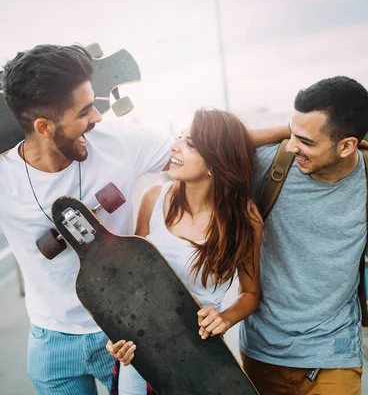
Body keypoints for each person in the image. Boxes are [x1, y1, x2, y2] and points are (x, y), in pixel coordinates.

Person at [0, 44, 291, 394]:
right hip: (53, 342)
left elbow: (217, 145)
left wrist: (300, 136)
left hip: (133, 330)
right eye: (84, 112)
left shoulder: (123, 142)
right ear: (44, 126)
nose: (97, 117)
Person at [240, 76, 368, 394]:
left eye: (306, 141)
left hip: (336, 353)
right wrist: (293, 133)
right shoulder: (268, 167)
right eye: (292, 134)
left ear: (348, 145)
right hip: (263, 349)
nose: (294, 147)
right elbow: (207, 142)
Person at [106, 108, 262, 395]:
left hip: (198, 357)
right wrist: (116, 338)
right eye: (179, 137)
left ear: (215, 163)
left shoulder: (245, 221)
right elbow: (127, 286)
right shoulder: (153, 198)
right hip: (141, 350)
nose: (174, 146)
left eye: (190, 144)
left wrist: (225, 319)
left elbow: (250, 294)